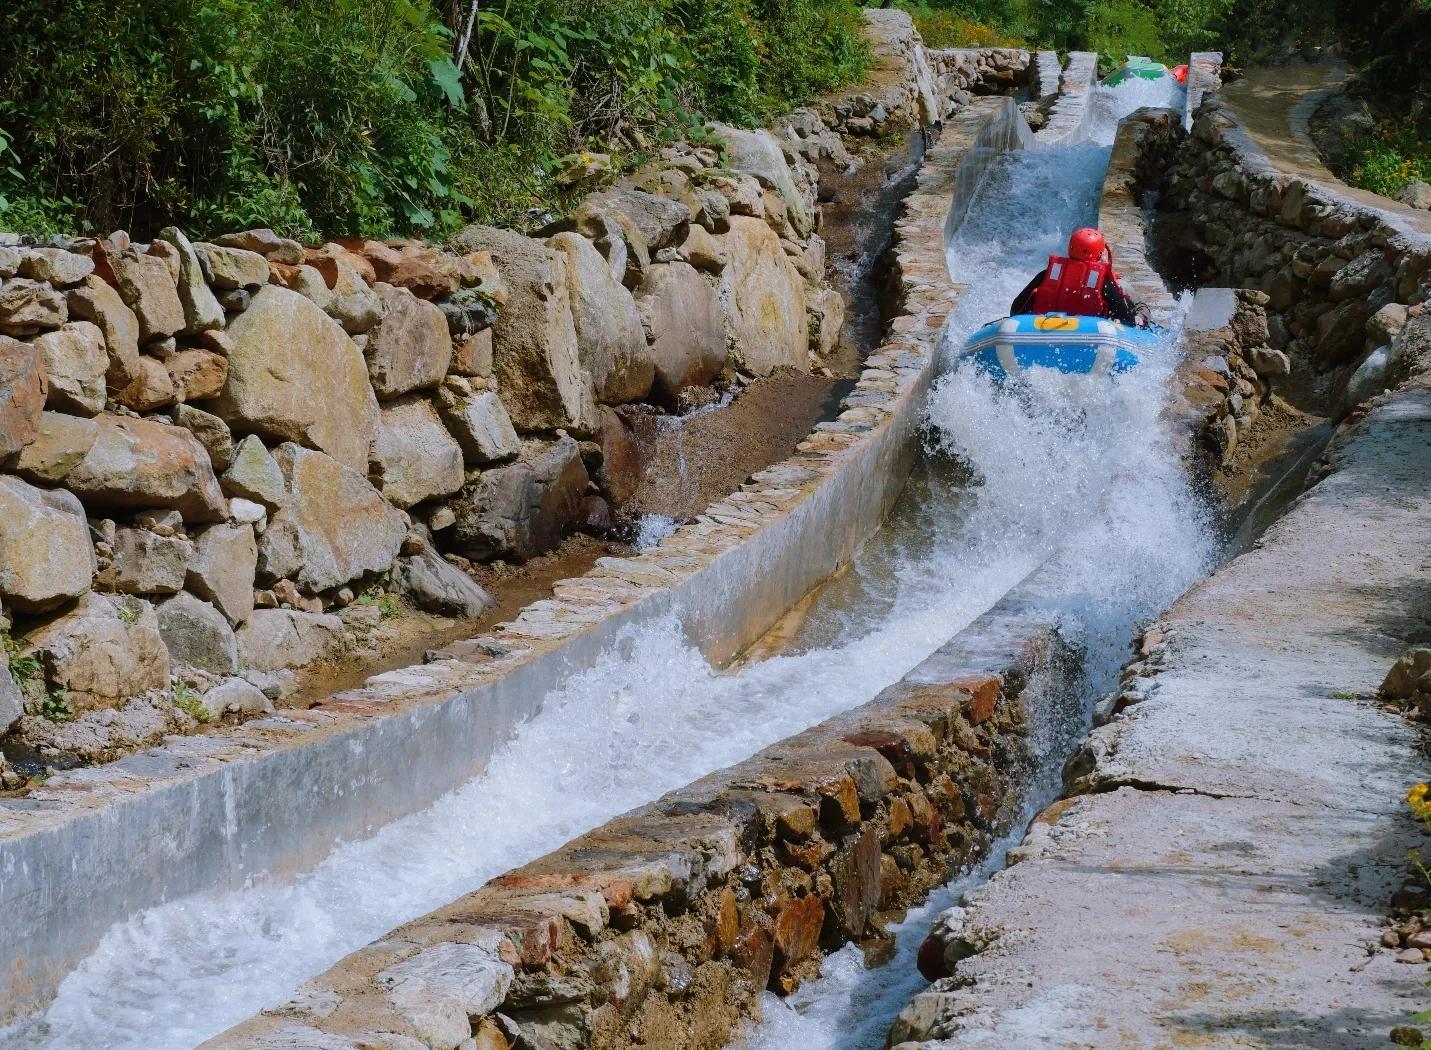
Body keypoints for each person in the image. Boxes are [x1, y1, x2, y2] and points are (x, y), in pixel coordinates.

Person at [1010, 227, 1150, 326]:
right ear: (1099, 254)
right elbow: (1126, 318)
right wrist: (1137, 321)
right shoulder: (1105, 283)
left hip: (1040, 331)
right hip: (1094, 336)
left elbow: (1016, 309)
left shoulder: (1048, 274)